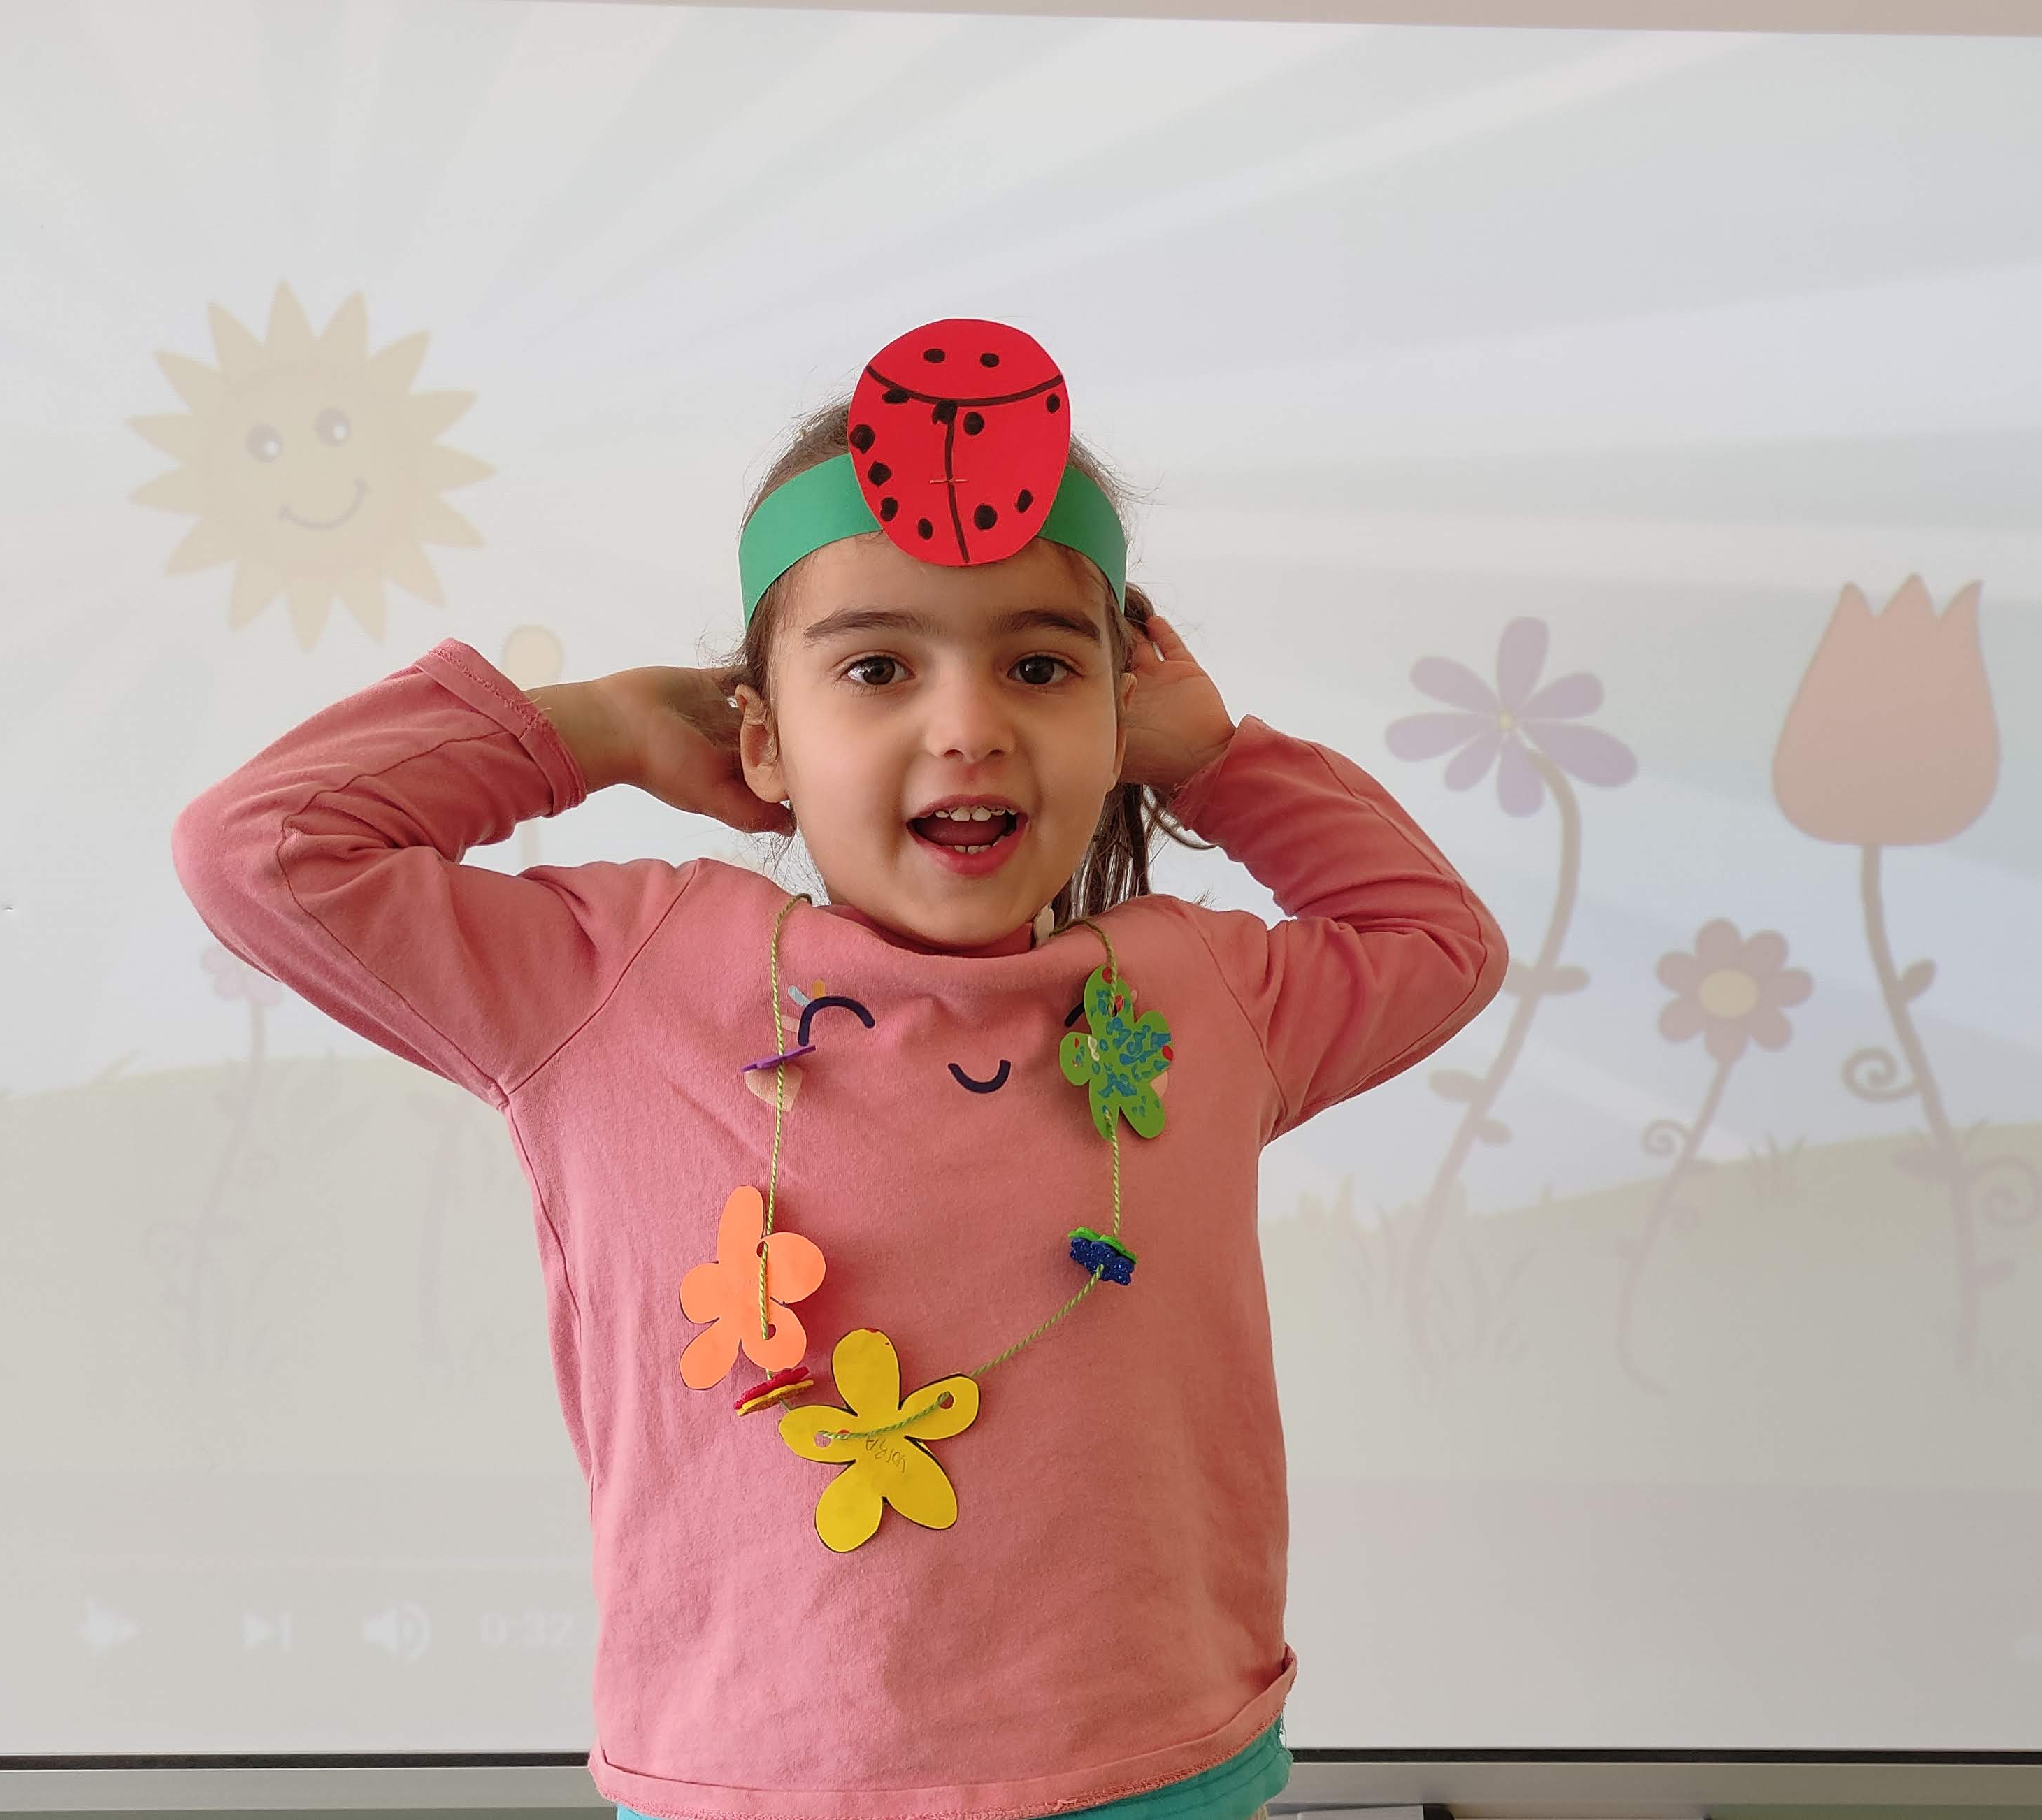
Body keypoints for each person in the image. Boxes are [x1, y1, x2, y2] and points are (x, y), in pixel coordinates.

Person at [172, 319, 1508, 1820]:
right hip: (751, 1787)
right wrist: (596, 730)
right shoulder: (612, 981)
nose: (968, 727)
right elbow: (260, 849)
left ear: (1113, 719)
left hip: (1155, 1771)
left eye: (1040, 666)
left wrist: (1219, 760)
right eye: (876, 667)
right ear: (762, 741)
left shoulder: (1199, 996)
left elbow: (1436, 942)